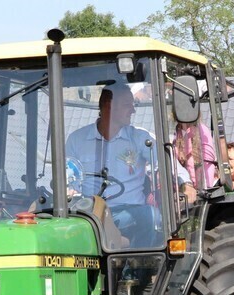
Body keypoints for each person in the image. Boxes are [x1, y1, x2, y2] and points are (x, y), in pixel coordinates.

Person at [66, 82, 196, 246]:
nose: (133, 110)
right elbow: (68, 178)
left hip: (129, 212)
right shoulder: (77, 140)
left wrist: (186, 183)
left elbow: (166, 162)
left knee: (151, 215)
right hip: (89, 213)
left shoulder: (140, 138)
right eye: (128, 105)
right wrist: (69, 192)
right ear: (109, 105)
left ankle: (138, 269)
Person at [174, 120, 217, 189]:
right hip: (183, 186)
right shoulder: (177, 132)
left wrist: (206, 186)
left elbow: (208, 161)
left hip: (202, 185)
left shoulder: (202, 130)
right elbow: (175, 164)